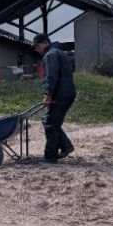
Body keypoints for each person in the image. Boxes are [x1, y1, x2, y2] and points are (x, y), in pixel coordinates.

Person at [32, 32, 75, 163]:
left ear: (45, 42)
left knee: (50, 123)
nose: (37, 50)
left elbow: (51, 76)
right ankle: (66, 146)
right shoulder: (58, 52)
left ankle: (50, 157)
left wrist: (48, 94)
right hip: (65, 93)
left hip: (60, 94)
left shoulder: (51, 54)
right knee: (51, 122)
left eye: (37, 46)